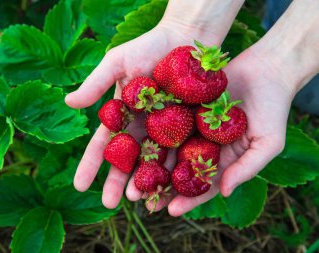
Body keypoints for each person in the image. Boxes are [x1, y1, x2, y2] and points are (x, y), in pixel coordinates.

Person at [65, 0, 319, 216]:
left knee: (310, 93)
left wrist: (288, 62)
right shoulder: (189, 92)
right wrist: (283, 62)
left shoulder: (204, 90)